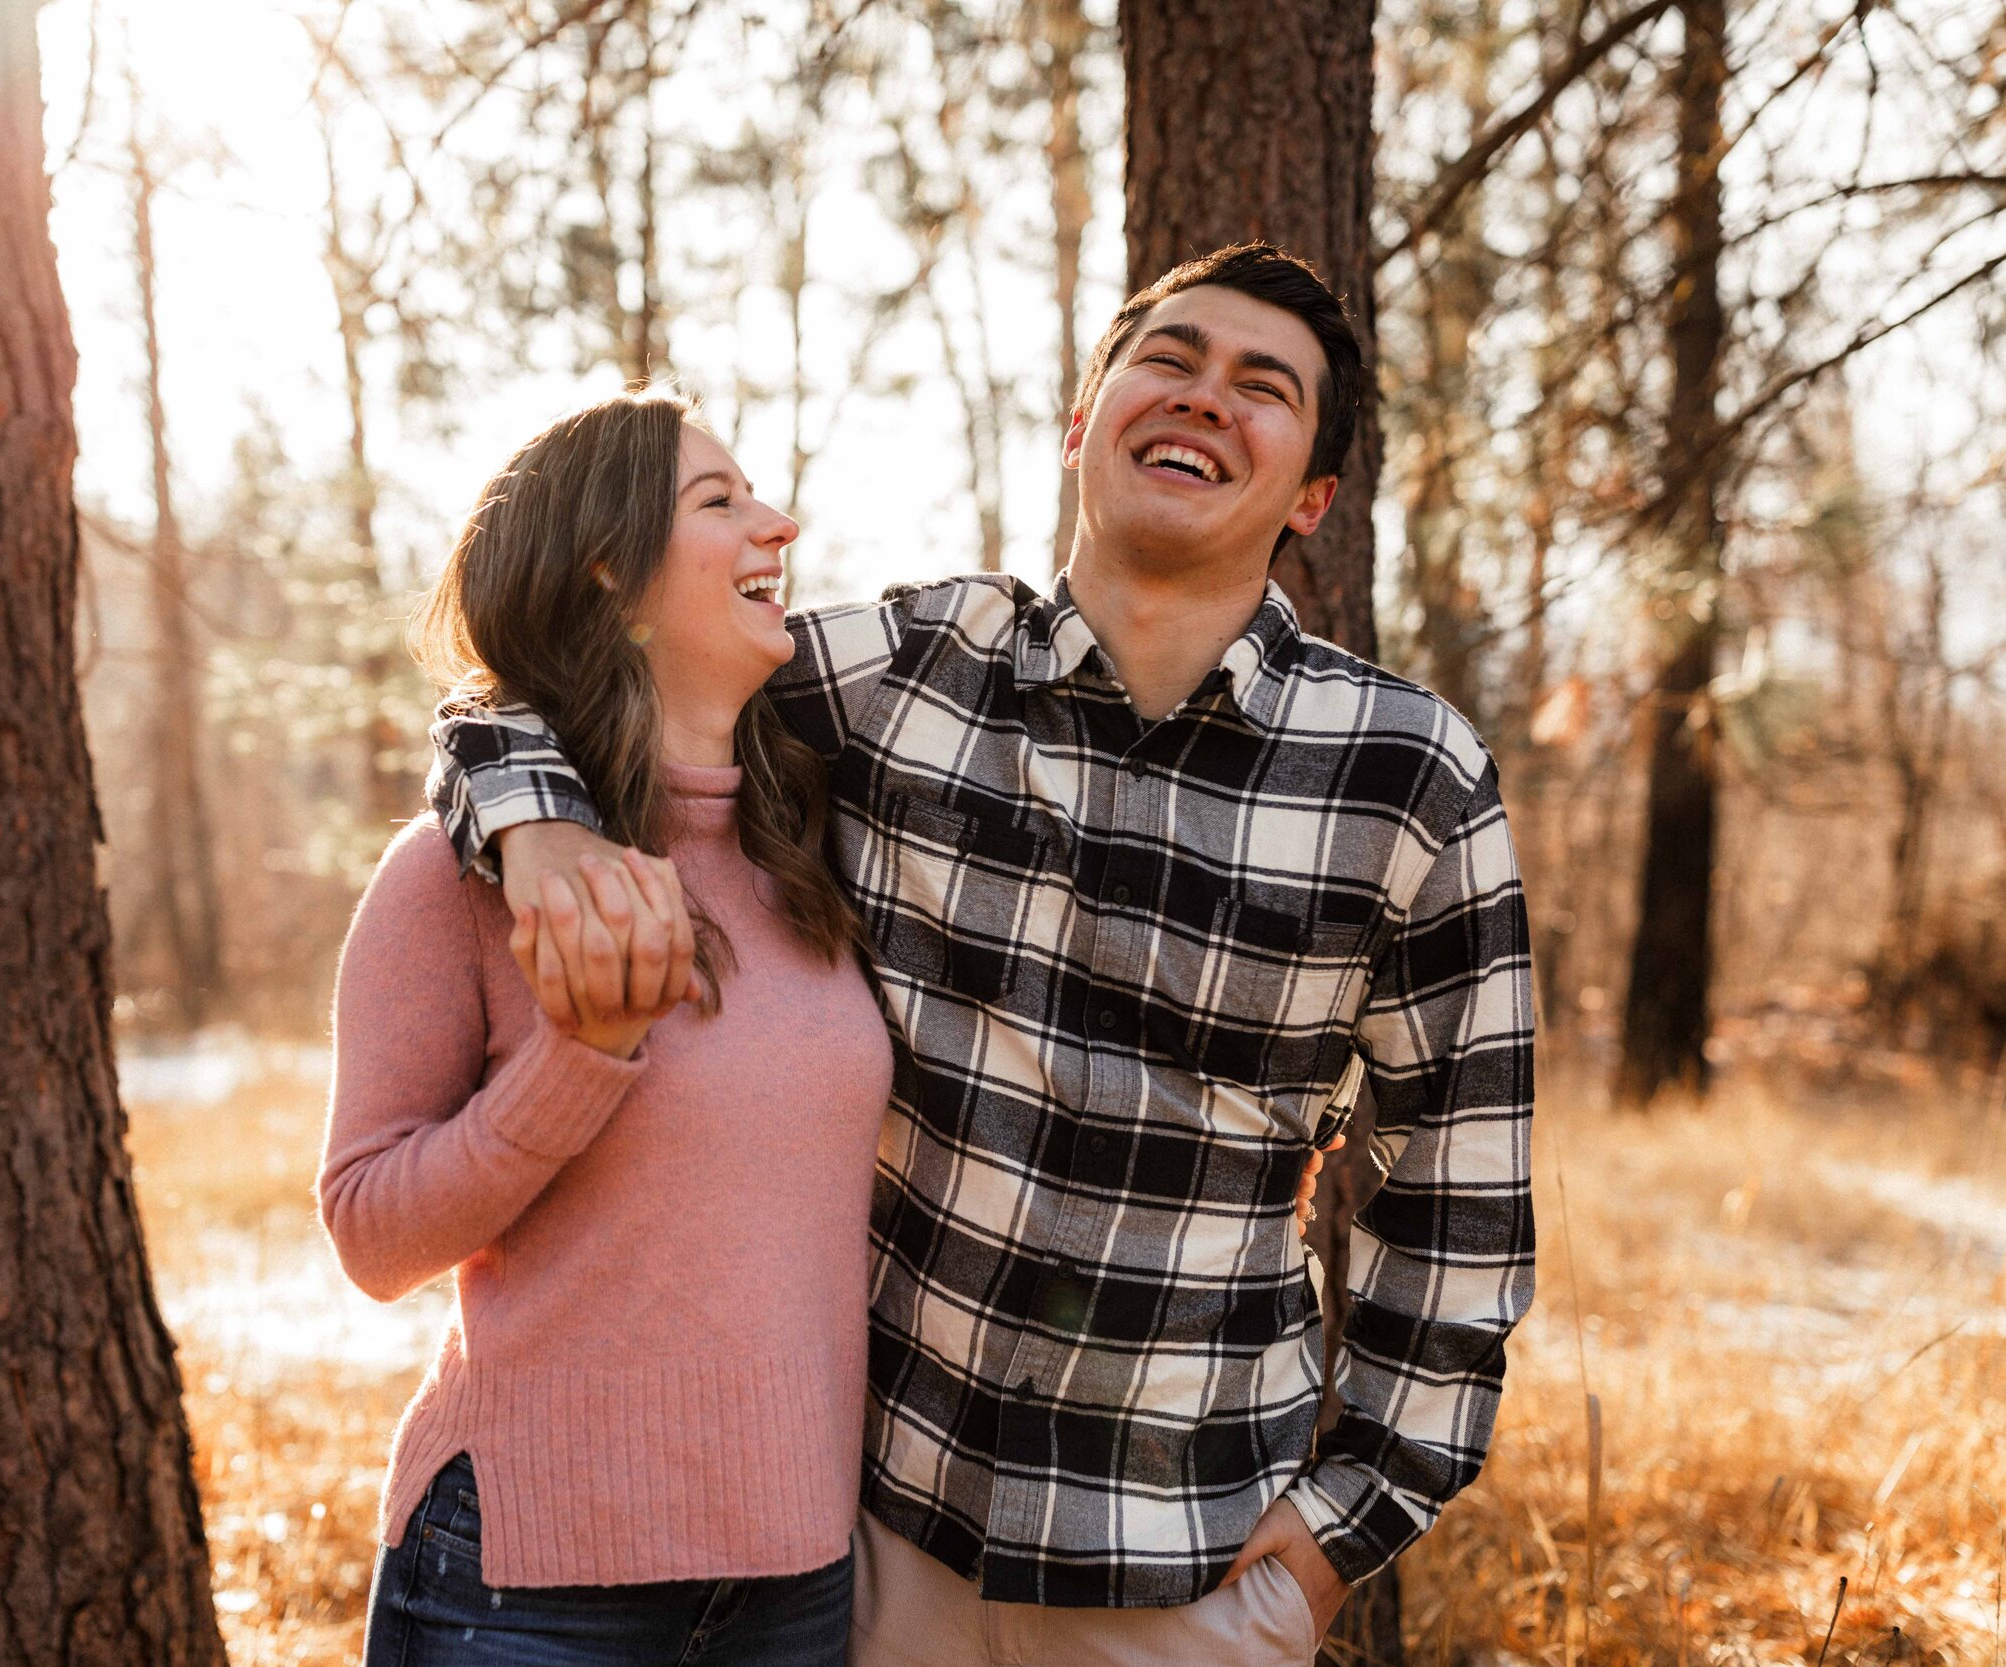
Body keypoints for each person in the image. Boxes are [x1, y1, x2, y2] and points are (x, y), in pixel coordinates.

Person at [426, 242, 1538, 1666]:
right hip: (874, 1548)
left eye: (1262, 388)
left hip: (1186, 1573)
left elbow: (1461, 1188)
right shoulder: (909, 673)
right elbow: (569, 676)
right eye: (1169, 360)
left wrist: (1344, 1528)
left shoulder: (1407, 774)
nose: (1204, 397)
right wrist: (537, 829)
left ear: (1311, 499)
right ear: (1082, 423)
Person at [317, 392, 893, 1665]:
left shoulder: (824, 842)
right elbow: (369, 1233)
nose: (778, 524)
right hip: (528, 1582)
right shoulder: (457, 877)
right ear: (607, 575)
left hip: (795, 1577)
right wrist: (581, 1057)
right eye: (719, 502)